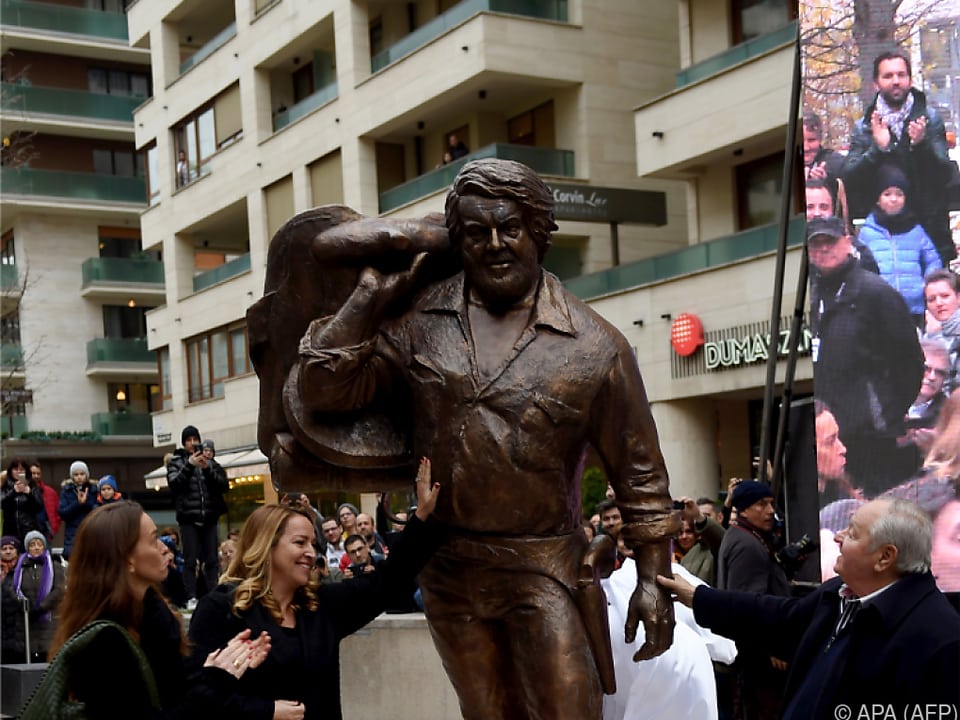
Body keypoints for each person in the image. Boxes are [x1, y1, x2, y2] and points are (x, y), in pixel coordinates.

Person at [292, 158, 678, 718]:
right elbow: (325, 391)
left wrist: (653, 578)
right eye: (476, 232)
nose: (495, 245)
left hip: (544, 567)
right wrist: (369, 296)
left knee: (569, 709)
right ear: (458, 240)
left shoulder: (597, 347)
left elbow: (641, 475)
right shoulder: (421, 317)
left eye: (510, 229)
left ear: (538, 234)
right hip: (450, 568)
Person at [186, 457, 440, 720]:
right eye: (299, 542)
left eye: (313, 544)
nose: (311, 553)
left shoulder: (320, 606)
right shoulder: (220, 610)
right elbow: (194, 698)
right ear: (266, 546)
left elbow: (388, 580)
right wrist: (267, 711)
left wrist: (421, 516)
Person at [658, 498, 960, 719]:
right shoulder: (837, 595)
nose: (838, 537)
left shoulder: (938, 640)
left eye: (853, 533)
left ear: (885, 557)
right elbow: (780, 619)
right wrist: (697, 597)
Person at [46, 502, 270, 719]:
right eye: (154, 540)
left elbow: (177, 692)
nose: (166, 548)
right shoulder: (105, 642)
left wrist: (221, 669)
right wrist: (217, 676)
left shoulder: (155, 614)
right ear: (127, 559)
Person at [806, 216, 924, 496]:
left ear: (847, 242)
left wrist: (887, 412)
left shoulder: (876, 293)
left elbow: (910, 361)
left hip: (873, 437)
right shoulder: (810, 294)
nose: (824, 249)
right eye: (816, 244)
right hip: (829, 439)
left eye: (830, 241)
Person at [843, 49, 955, 263]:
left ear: (910, 79)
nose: (896, 81)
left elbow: (944, 175)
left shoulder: (929, 120)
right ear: (876, 83)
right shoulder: (865, 127)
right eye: (888, 76)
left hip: (929, 235)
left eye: (901, 75)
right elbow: (850, 178)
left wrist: (920, 145)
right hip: (884, 241)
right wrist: (877, 149)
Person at [715, 481, 790, 720]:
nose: (770, 510)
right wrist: (774, 647)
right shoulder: (747, 544)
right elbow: (748, 604)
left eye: (771, 503)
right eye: (761, 504)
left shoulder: (742, 535)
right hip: (760, 658)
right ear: (744, 509)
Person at [856, 163, 942, 321]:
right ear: (878, 200)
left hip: (914, 307)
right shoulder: (867, 232)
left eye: (899, 194)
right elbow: (860, 266)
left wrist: (925, 286)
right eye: (887, 194)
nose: (893, 199)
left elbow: (933, 260)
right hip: (880, 308)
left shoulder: (916, 230)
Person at [166, 425, 229, 607]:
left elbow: (223, 486)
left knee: (211, 560)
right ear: (184, 443)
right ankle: (191, 596)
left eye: (195, 440)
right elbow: (174, 484)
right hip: (188, 518)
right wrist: (189, 466)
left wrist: (207, 469)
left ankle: (213, 595)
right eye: (189, 440)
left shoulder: (211, 462)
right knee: (190, 560)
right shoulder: (177, 461)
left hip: (209, 516)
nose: (192, 444)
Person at [11, 530, 65, 662]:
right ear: (27, 547)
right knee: (30, 658)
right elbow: (13, 589)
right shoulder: (20, 567)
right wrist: (24, 604)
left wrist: (42, 607)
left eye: (39, 544)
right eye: (32, 544)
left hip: (48, 621)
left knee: (46, 658)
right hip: (27, 621)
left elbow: (58, 590)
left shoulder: (54, 566)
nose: (36, 547)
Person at [804, 180, 879, 274]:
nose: (817, 213)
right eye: (809, 207)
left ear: (832, 209)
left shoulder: (852, 246)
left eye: (824, 207)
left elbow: (872, 276)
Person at [899, 338, 951, 457]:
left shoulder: (948, 414)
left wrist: (936, 448)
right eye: (926, 369)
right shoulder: (883, 402)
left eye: (940, 373)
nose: (932, 377)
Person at [923, 268, 960, 395]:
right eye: (932, 299)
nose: (939, 303)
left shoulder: (934, 333)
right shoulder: (928, 332)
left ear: (958, 297)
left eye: (945, 296)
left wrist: (936, 337)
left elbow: (946, 381)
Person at [676, 497, 724, 586]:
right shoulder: (690, 554)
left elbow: (718, 536)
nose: (698, 520)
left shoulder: (724, 544)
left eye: (706, 515)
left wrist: (699, 517)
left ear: (720, 517)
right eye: (695, 517)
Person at [58, 460, 99, 560]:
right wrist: (78, 504)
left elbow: (98, 511)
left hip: (92, 533)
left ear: (87, 475)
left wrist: (85, 503)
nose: (79, 477)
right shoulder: (66, 491)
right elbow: (62, 513)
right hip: (72, 536)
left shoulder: (95, 491)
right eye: (76, 474)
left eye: (82, 474)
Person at [1, 458, 44, 544]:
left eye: (21, 469)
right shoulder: (5, 486)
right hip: (10, 531)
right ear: (11, 471)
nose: (18, 472)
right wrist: (13, 492)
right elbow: (2, 503)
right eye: (15, 469)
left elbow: (39, 507)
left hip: (29, 530)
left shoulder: (32, 486)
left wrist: (29, 493)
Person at [802, 112, 844, 186]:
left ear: (820, 138)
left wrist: (827, 182)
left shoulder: (836, 162)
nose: (806, 148)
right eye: (801, 141)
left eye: (811, 140)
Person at [30, 461, 61, 540]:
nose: (36, 476)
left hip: (45, 533)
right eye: (33, 473)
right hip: (27, 531)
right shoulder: (22, 491)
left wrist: (53, 529)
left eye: (38, 473)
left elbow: (58, 513)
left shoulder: (50, 492)